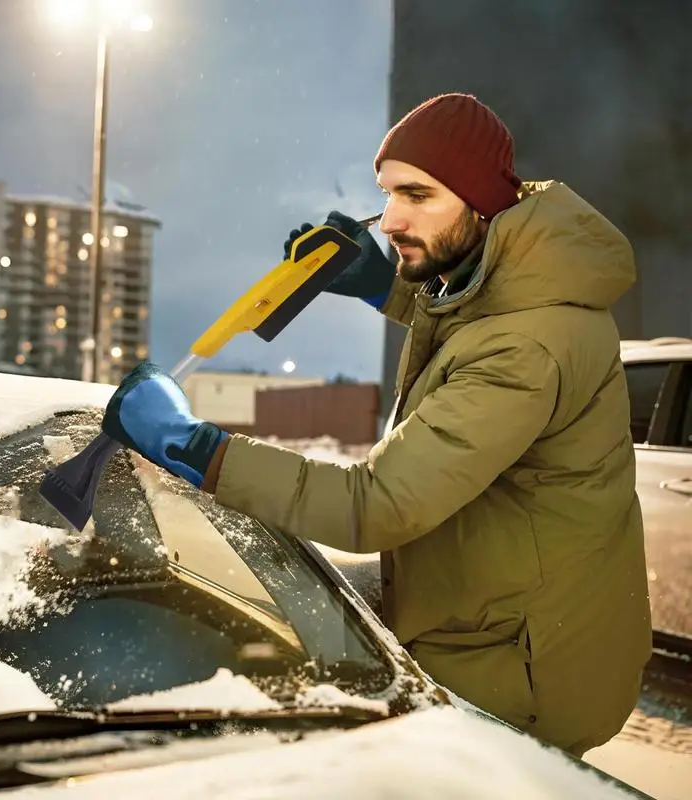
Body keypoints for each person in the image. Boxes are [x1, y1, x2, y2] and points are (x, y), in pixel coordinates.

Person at [101, 92, 652, 756]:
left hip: (526, 671)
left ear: (479, 204)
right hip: (512, 613)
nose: (389, 220)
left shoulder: (525, 349)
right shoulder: (516, 280)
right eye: (388, 194)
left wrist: (195, 447)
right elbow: (468, 321)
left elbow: (374, 506)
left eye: (417, 195)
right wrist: (379, 284)